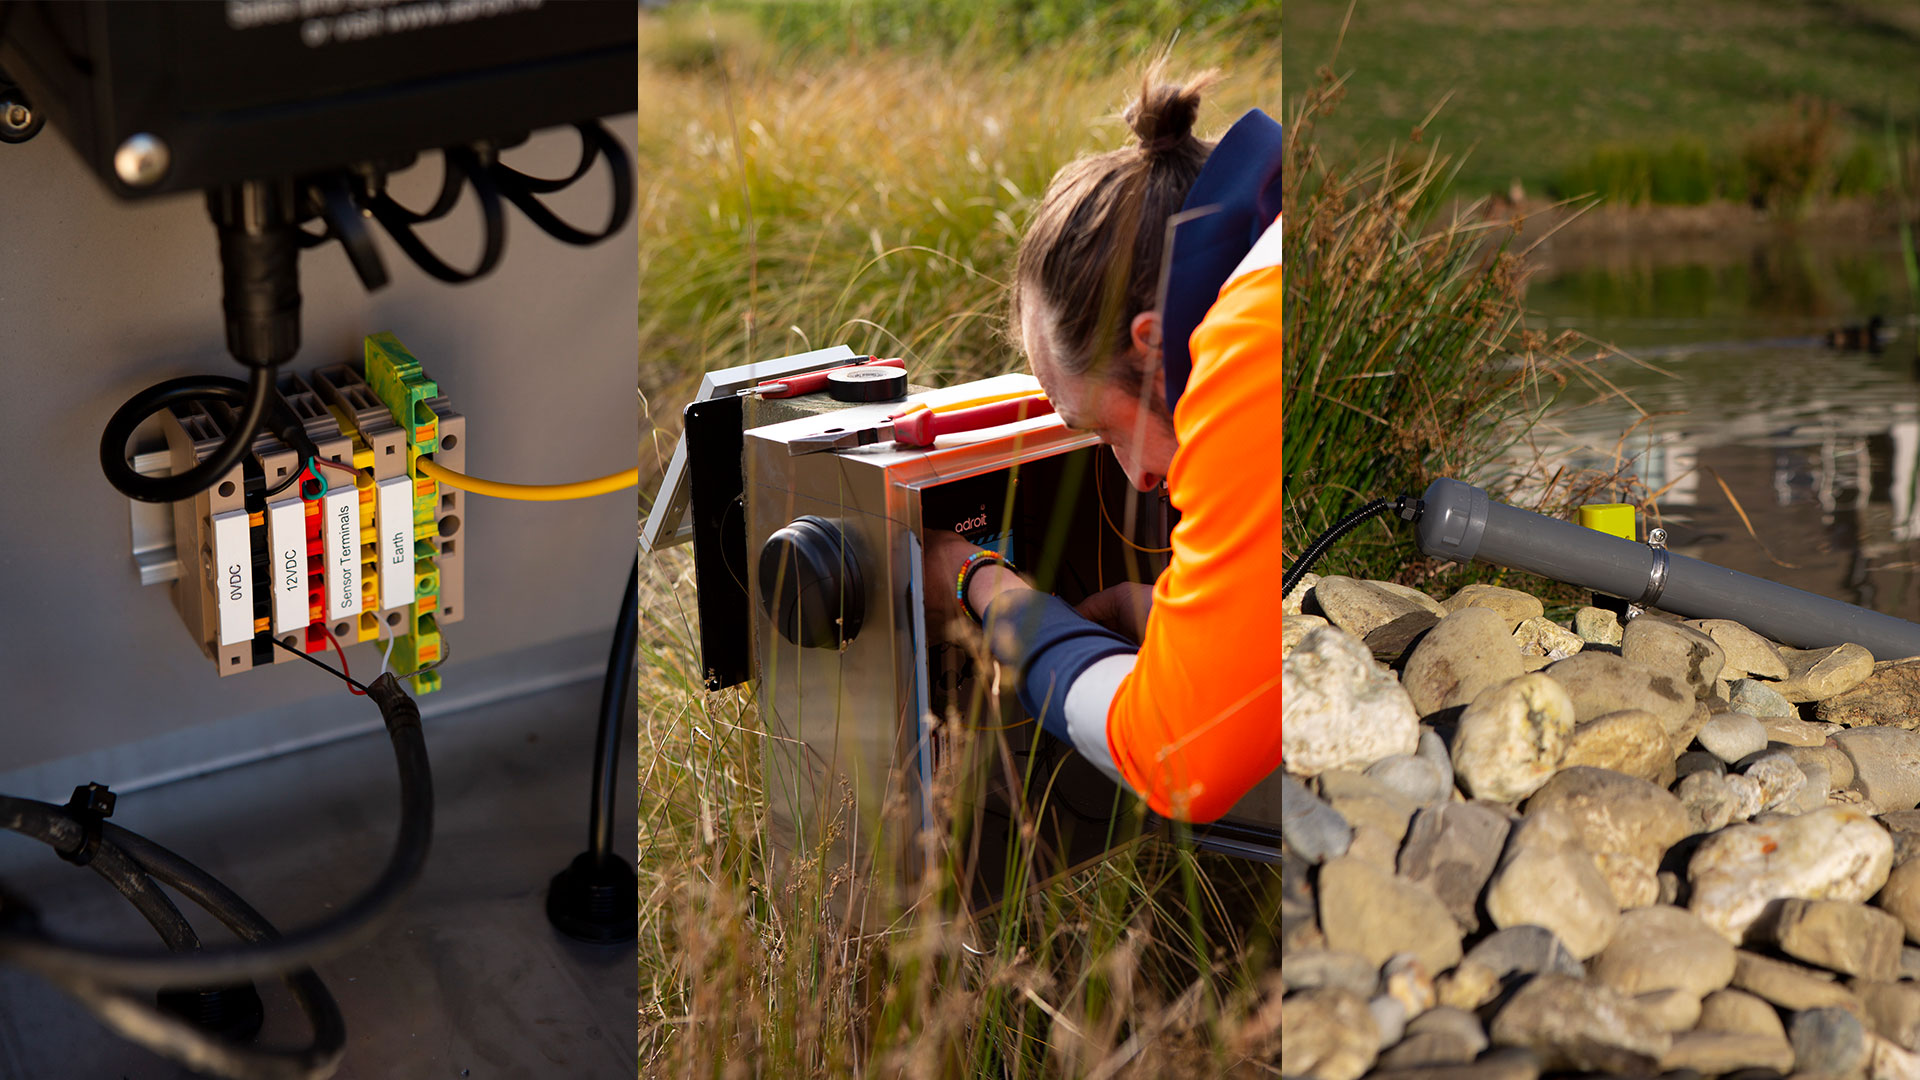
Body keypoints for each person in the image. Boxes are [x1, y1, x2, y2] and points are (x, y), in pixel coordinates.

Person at [925, 67, 1283, 825]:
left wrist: (984, 589)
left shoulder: (1245, 347)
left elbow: (1184, 759)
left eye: (1104, 428)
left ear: (1152, 350)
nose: (1142, 477)